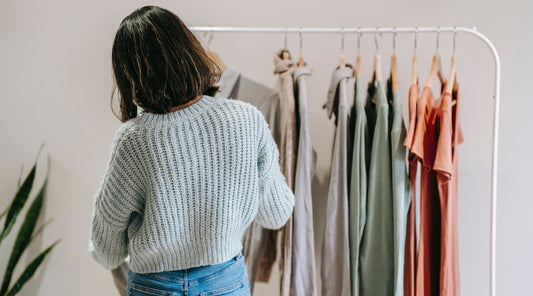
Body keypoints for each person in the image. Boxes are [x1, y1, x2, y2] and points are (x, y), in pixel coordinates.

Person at [88, 5, 295, 296]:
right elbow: (277, 214)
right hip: (226, 280)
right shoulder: (246, 120)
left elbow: (106, 249)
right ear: (190, 51)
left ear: (129, 75)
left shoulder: (133, 140)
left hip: (154, 285)